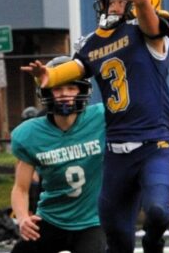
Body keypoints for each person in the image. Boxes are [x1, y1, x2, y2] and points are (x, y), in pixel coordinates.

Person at [21, 0, 169, 253]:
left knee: (156, 212)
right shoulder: (93, 44)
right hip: (116, 150)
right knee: (116, 237)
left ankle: (155, 244)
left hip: (154, 144)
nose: (112, 4)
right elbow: (73, 72)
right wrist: (47, 76)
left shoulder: (148, 33)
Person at [11, 56, 106, 253]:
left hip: (91, 221)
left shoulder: (101, 118)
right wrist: (22, 219)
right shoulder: (30, 133)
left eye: (71, 88)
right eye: (58, 88)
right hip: (52, 218)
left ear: (82, 90)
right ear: (47, 92)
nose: (64, 94)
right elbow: (20, 188)